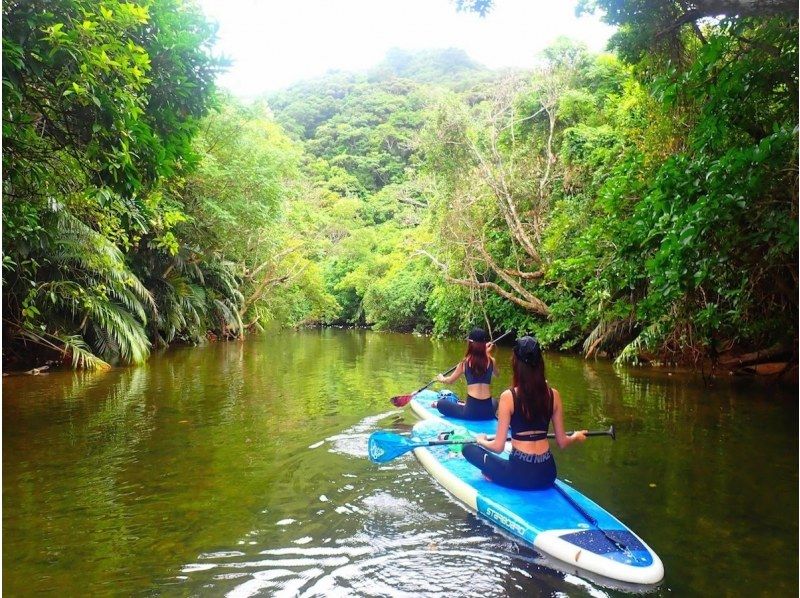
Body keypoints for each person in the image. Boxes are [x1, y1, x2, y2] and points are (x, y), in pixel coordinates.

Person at [462, 335, 587, 490]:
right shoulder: (554, 394)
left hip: (520, 475)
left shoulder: (509, 396)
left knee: (467, 448)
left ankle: (493, 475)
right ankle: (495, 474)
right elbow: (562, 442)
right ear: (540, 363)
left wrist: (481, 440)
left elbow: (498, 447)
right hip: (547, 474)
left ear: (516, 363)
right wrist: (575, 436)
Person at [431, 328, 497, 421]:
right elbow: (497, 374)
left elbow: (450, 381)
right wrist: (487, 354)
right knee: (494, 401)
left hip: (471, 413)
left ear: (470, 343)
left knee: (441, 403)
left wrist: (441, 378)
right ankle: (465, 405)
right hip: (488, 412)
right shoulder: (491, 360)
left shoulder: (465, 363)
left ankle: (438, 404)